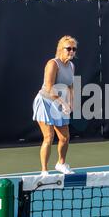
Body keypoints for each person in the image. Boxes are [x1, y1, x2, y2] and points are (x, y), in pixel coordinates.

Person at [33, 36, 78, 176]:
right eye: (68, 48)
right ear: (60, 49)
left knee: (65, 138)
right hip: (45, 102)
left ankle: (61, 163)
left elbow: (70, 86)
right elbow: (48, 88)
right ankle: (44, 171)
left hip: (60, 104)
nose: (71, 51)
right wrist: (63, 103)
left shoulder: (71, 66)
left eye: (74, 49)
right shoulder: (53, 64)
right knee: (49, 137)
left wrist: (71, 102)